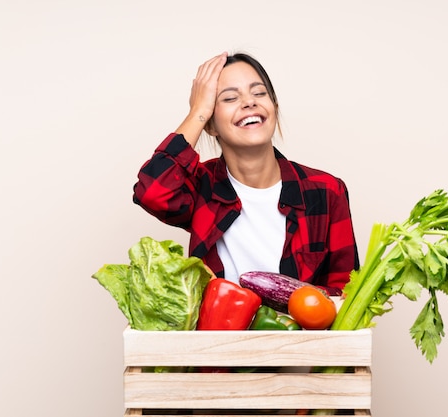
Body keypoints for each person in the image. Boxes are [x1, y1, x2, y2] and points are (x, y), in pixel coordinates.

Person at [133, 51, 359, 295]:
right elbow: (152, 192)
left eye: (259, 93)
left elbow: (346, 293)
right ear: (210, 124)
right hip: (220, 333)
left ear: (274, 106)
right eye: (230, 98)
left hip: (303, 334)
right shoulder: (202, 187)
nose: (249, 102)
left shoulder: (325, 191)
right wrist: (197, 112)